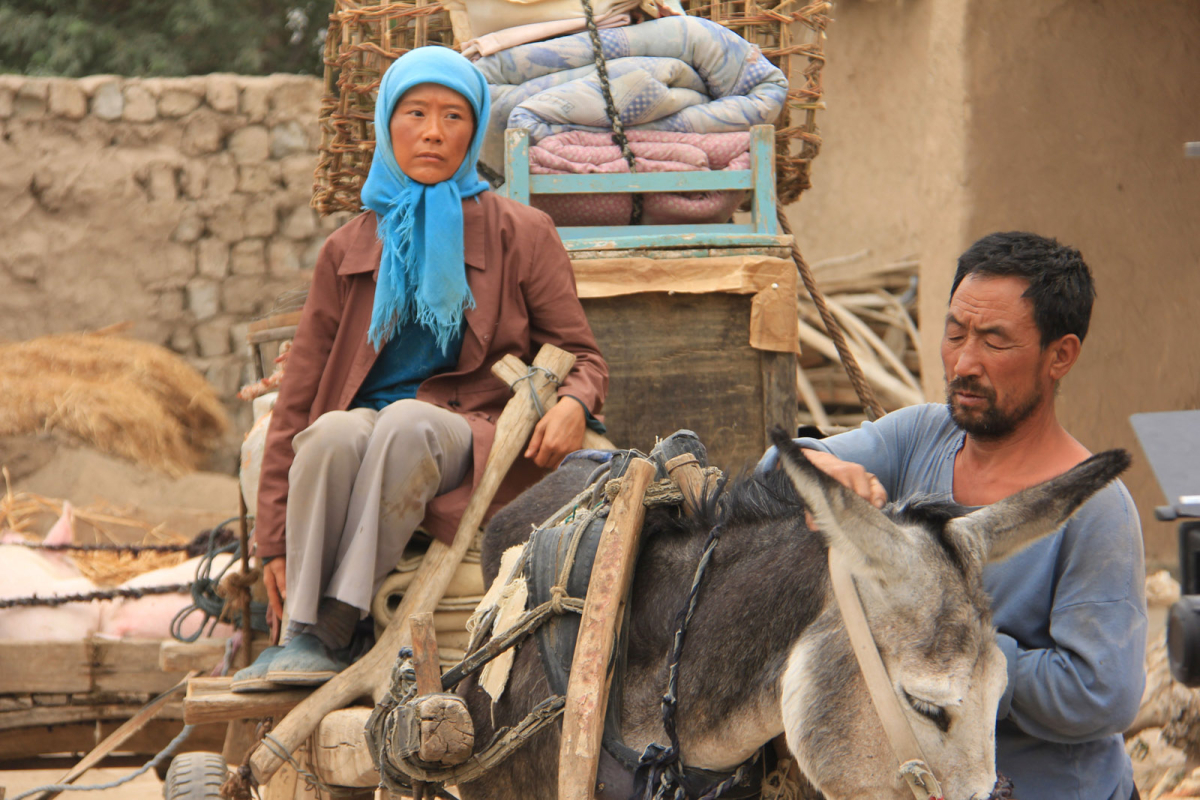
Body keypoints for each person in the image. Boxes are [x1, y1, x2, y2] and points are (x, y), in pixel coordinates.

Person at [232, 46, 608, 691]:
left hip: (473, 431)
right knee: (328, 432)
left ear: (474, 127)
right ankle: (297, 632)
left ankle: (335, 627)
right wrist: (272, 543)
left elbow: (583, 355)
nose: (433, 132)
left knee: (408, 421)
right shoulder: (348, 247)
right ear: (387, 124)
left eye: (454, 116)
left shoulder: (524, 231)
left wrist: (575, 403)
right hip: (369, 435)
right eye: (415, 113)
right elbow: (297, 402)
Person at [762, 232, 1146, 800]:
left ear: (1059, 355)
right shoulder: (920, 436)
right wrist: (824, 472)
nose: (964, 362)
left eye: (994, 340)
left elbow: (1101, 693)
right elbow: (776, 466)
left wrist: (955, 654)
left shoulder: (1097, 512)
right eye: (955, 332)